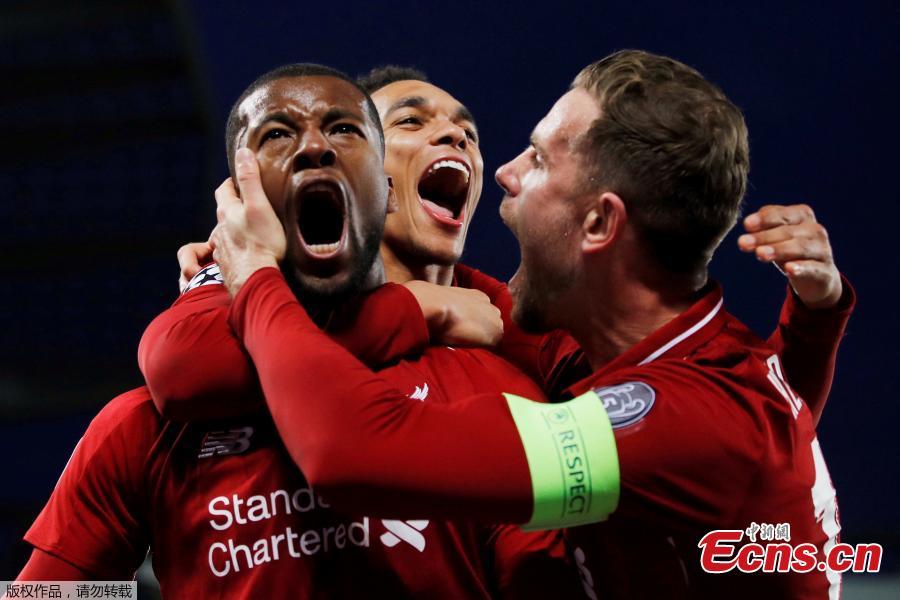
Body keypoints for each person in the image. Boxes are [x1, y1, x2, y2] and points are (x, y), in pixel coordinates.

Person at [205, 51, 852, 598]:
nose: (506, 172)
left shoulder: (666, 417)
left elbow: (349, 453)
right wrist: (817, 318)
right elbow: (181, 364)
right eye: (408, 120)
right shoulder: (636, 356)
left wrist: (255, 273)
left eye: (538, 160)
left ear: (599, 224)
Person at [18, 64, 582, 599]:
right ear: (242, 200)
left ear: (381, 188)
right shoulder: (147, 425)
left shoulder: (493, 387)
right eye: (278, 136)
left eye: (343, 131)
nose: (316, 149)